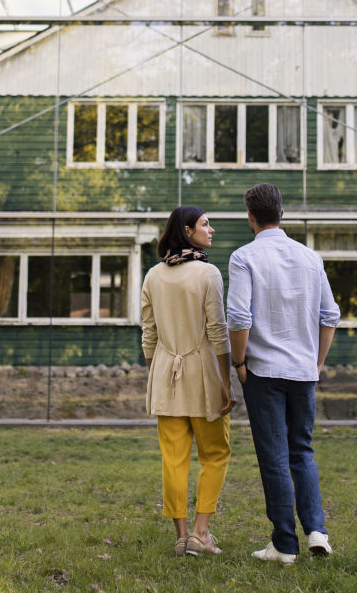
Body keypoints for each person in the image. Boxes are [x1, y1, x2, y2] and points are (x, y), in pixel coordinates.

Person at [227, 183, 340, 565]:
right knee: (302, 451)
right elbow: (330, 316)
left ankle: (285, 545)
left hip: (262, 372)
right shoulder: (311, 258)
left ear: (251, 218)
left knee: (274, 457)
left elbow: (240, 317)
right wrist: (317, 363)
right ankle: (317, 531)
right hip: (303, 372)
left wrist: (239, 363)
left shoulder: (244, 257)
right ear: (283, 214)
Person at [141, 205, 234, 558]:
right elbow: (217, 331)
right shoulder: (208, 274)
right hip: (204, 375)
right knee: (215, 454)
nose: (211, 230)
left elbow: (148, 335)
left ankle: (181, 537)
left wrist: (156, 374)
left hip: (166, 374)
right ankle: (201, 533)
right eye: (205, 224)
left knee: (174, 459)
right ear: (187, 229)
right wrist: (226, 380)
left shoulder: (152, 276)